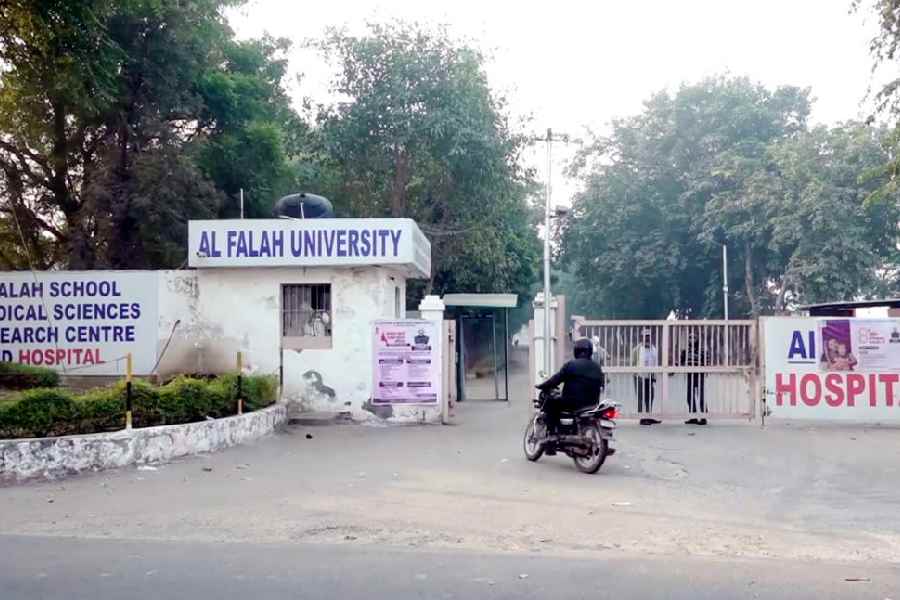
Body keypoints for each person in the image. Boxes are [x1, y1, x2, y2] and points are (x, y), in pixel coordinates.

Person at [535, 338, 605, 439]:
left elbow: (556, 379)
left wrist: (542, 385)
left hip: (571, 403)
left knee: (550, 402)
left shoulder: (571, 365)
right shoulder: (597, 367)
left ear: (576, 351)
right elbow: (602, 384)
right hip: (592, 404)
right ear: (590, 352)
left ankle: (552, 434)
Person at [631, 329, 659, 425]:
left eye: (648, 336)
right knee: (641, 397)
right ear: (641, 338)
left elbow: (655, 363)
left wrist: (654, 377)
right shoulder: (637, 349)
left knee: (650, 397)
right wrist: (635, 375)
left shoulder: (654, 349)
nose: (647, 338)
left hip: (650, 376)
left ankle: (648, 416)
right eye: (645, 336)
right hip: (640, 376)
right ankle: (642, 418)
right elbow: (633, 363)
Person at [680, 332, 709, 425]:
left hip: (699, 375)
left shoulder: (702, 350)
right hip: (690, 375)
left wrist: (705, 371)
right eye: (690, 337)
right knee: (690, 397)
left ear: (697, 339)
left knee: (701, 397)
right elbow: (681, 362)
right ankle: (693, 417)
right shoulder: (685, 351)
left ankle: (704, 417)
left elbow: (706, 362)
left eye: (694, 337)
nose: (692, 339)